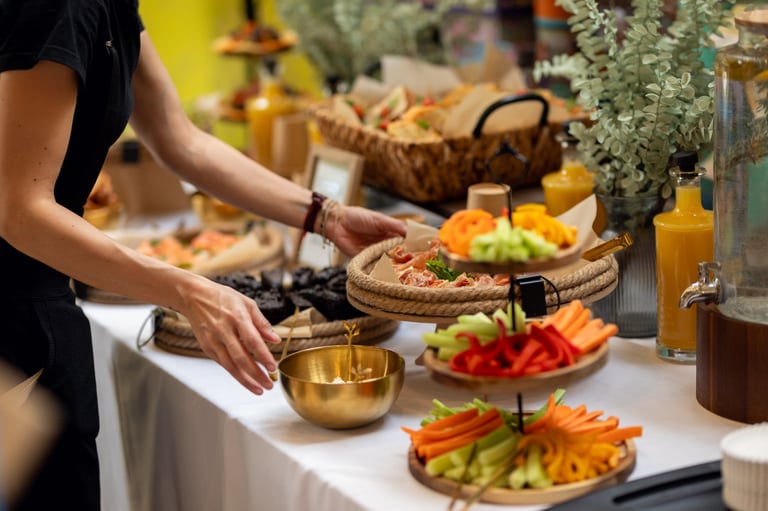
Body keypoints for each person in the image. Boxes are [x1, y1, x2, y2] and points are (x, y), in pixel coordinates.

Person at [0, 1, 407, 509]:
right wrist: (187, 290)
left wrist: (326, 216)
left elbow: (180, 139)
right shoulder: (59, 10)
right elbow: (20, 212)